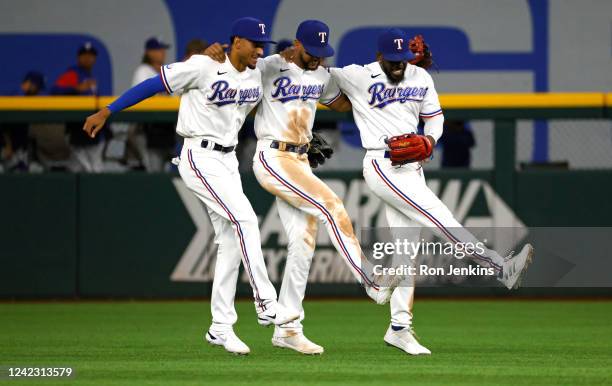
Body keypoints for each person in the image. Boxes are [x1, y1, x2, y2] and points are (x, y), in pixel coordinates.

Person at [83, 17, 299, 355]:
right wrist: (108, 111)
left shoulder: (260, 70)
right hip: (199, 155)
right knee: (245, 220)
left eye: (263, 46)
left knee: (230, 239)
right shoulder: (203, 64)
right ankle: (266, 302)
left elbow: (295, 62)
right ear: (236, 41)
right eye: (255, 44)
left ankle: (220, 327)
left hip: (228, 160)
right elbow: (154, 85)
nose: (260, 50)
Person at [328, 29, 535, 355]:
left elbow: (435, 119)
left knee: (406, 252)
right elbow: (316, 76)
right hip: (381, 164)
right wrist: (288, 59)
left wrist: (430, 140)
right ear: (379, 56)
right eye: (391, 60)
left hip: (412, 169)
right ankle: (501, 268)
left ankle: (399, 328)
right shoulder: (357, 75)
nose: (397, 65)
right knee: (441, 218)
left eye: (401, 60)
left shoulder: (420, 75)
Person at [204, 20, 403, 355]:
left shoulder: (322, 75)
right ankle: (370, 279)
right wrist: (216, 53)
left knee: (304, 240)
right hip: (272, 156)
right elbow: (234, 65)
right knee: (332, 205)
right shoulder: (269, 66)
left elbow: (343, 102)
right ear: (297, 44)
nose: (317, 59)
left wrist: (389, 83)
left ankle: (288, 329)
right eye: (312, 52)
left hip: (300, 159)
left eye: (323, 53)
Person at [52, 42, 105, 172]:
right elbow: (54, 91)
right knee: (85, 167)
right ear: (79, 57)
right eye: (85, 55)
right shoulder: (73, 74)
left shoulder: (90, 76)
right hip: (77, 128)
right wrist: (75, 89)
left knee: (88, 167)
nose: (88, 58)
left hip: (90, 128)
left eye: (91, 55)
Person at [0, 71, 45, 172]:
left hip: (21, 154)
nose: (37, 92)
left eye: (38, 89)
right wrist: (8, 145)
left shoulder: (33, 105)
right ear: (26, 84)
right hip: (7, 150)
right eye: (35, 87)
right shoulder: (13, 99)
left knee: (35, 170)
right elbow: (4, 126)